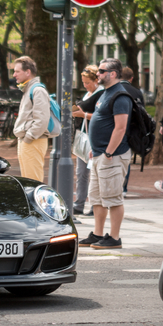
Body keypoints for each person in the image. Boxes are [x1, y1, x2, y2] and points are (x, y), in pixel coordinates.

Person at [79, 58, 131, 250]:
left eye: (101, 71)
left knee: (113, 197)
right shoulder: (105, 94)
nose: (98, 74)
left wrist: (109, 152)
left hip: (113, 156)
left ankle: (114, 237)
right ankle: (98, 233)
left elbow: (120, 128)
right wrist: (97, 149)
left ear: (113, 74)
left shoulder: (120, 96)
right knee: (97, 197)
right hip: (100, 154)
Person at [12, 56, 51, 182]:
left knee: (33, 180)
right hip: (28, 140)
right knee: (28, 179)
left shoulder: (37, 90)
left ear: (28, 72)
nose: (14, 75)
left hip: (33, 140)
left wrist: (28, 137)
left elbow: (42, 120)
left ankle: (35, 202)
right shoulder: (29, 89)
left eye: (17, 71)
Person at [72, 65, 104, 216]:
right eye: (83, 82)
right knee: (81, 172)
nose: (85, 85)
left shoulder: (101, 94)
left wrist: (82, 115)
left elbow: (101, 116)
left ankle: (94, 204)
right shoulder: (88, 94)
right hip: (84, 135)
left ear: (96, 80)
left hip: (93, 136)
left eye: (88, 82)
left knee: (92, 173)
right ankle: (79, 203)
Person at [118, 67, 144, 194]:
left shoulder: (115, 90)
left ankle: (117, 185)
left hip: (117, 128)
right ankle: (124, 187)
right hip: (132, 131)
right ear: (131, 78)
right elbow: (142, 113)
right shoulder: (137, 92)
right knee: (126, 159)